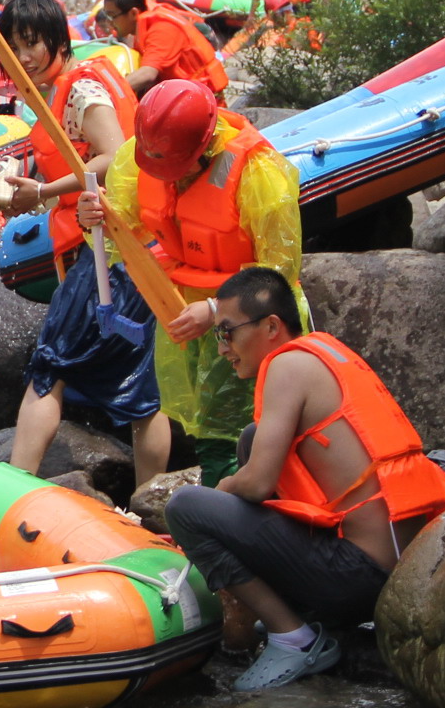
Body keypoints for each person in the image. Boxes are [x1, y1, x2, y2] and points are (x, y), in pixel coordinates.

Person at [163, 266, 445, 690]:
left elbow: (259, 484)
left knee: (187, 508)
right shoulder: (325, 352)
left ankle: (295, 638)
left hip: (360, 577)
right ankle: (298, 619)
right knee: (253, 440)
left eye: (227, 332)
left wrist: (220, 489)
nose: (223, 347)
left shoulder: (286, 366)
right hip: (405, 562)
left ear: (270, 326)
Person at [0, 0, 169, 486]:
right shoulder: (59, 90)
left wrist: (41, 191)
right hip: (134, 244)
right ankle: (150, 502)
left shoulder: (80, 89)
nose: (22, 57)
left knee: (49, 365)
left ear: (57, 41)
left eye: (32, 44)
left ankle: (18, 484)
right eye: (13, 48)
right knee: (142, 388)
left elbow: (113, 155)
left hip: (114, 245)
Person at [91, 77, 304, 473]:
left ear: (204, 145)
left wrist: (215, 310)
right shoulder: (138, 159)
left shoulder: (257, 172)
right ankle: (221, 514)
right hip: (182, 310)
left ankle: (237, 515)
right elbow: (118, 236)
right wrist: (96, 221)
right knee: (207, 433)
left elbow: (281, 271)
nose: (168, 177)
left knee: (244, 434)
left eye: (178, 168)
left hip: (252, 320)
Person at [99, 0, 230, 100]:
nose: (110, 23)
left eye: (112, 16)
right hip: (181, 95)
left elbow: (148, 74)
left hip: (204, 101)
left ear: (133, 13)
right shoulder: (141, 23)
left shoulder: (162, 27)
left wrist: (104, 94)